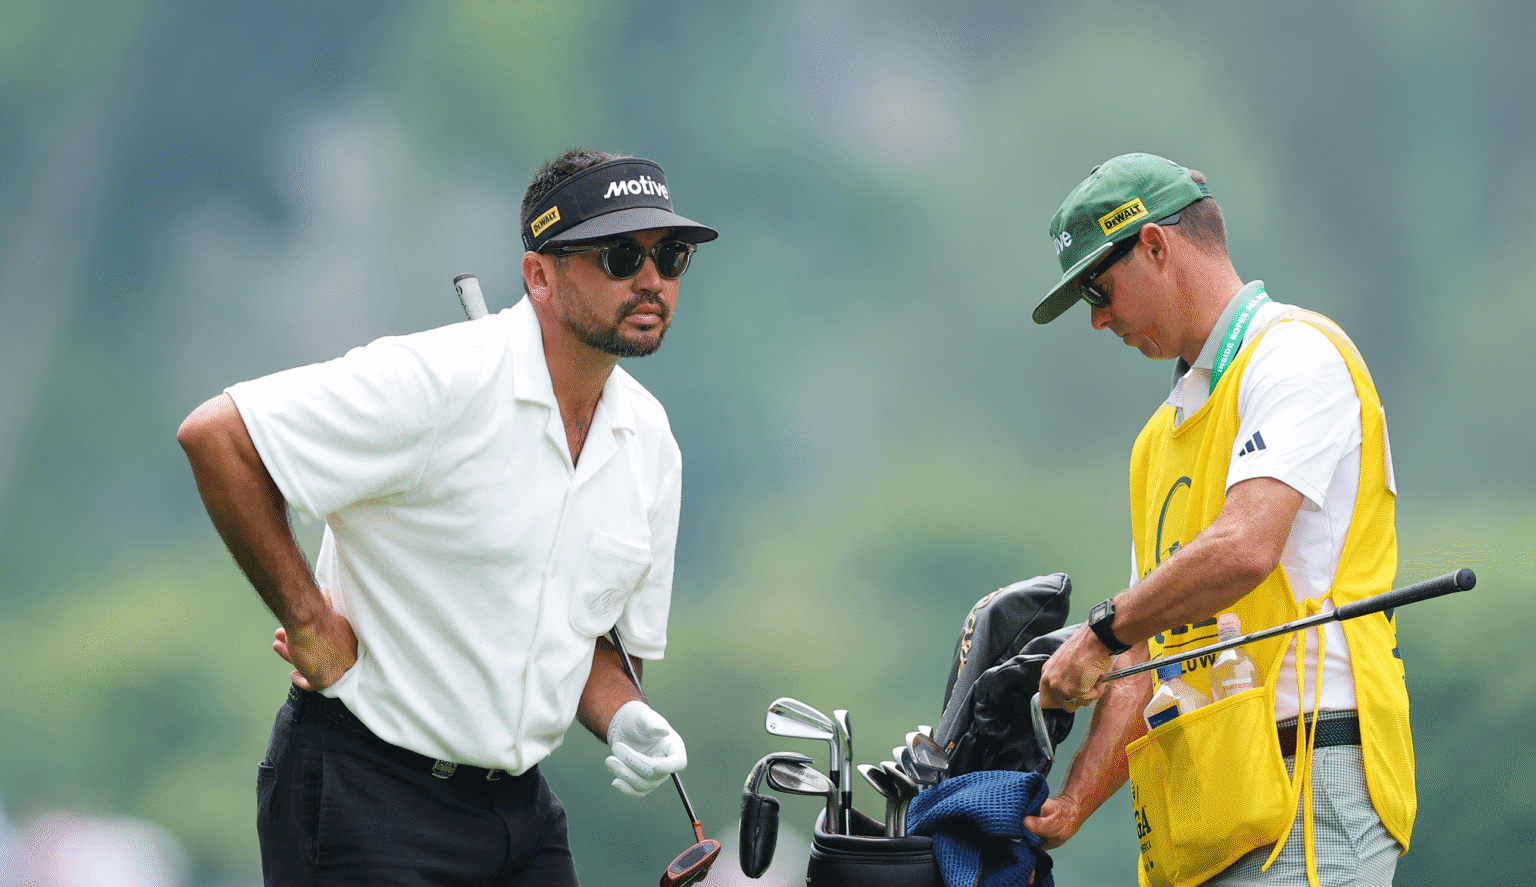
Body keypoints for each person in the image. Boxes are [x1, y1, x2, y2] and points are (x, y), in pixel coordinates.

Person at [177, 148, 718, 886]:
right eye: (621, 256)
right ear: (539, 276)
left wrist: (625, 714)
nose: (652, 279)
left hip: (520, 812)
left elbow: (594, 644)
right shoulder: (439, 381)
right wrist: (308, 621)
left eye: (671, 256)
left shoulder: (650, 442)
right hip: (367, 791)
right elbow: (221, 436)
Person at [1022, 153, 1412, 887]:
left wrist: (1100, 632)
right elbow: (1143, 648)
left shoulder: (1294, 354)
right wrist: (1075, 800)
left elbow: (1244, 548)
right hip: (1202, 801)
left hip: (1305, 778)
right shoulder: (1157, 439)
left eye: (1098, 289)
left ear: (1155, 246)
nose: (1098, 319)